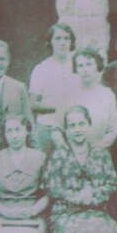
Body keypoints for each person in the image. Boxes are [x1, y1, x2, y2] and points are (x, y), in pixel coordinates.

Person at [28, 23, 78, 155]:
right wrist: (59, 106)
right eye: (58, 38)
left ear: (71, 41)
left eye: (66, 38)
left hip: (74, 127)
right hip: (47, 127)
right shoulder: (41, 69)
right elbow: (33, 104)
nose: (63, 43)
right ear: (50, 41)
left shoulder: (79, 65)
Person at [64, 47, 117, 150]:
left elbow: (114, 128)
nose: (85, 70)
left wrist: (100, 145)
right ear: (76, 69)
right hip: (73, 151)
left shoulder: (107, 95)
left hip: (100, 151)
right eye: (80, 66)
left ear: (97, 65)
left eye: (89, 64)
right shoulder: (69, 94)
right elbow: (58, 127)